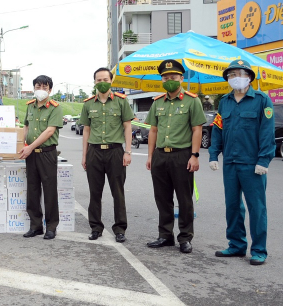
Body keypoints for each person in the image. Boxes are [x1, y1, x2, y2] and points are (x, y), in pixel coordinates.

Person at [209, 59, 275, 265]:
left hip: (252, 164)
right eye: (231, 75)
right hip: (230, 162)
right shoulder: (225, 102)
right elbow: (218, 129)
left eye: (240, 73)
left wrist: (264, 160)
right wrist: (213, 154)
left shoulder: (262, 100)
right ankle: (236, 245)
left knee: (256, 207)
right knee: (233, 206)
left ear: (249, 77)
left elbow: (267, 133)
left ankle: (258, 250)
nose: (235, 78)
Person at [145, 60, 206, 254]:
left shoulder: (191, 100)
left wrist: (194, 155)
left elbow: (197, 129)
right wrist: (150, 156)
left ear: (181, 78)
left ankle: (185, 238)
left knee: (184, 199)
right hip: (160, 156)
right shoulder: (158, 102)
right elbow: (153, 130)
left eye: (173, 77)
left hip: (182, 155)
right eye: (165, 77)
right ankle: (165, 235)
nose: (169, 80)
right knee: (162, 198)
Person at [80, 68, 134, 243]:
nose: (102, 82)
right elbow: (86, 130)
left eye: (105, 79)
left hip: (115, 151)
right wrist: (84, 155)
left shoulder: (121, 102)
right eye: (98, 80)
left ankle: (120, 229)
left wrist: (128, 151)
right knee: (95, 193)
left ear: (111, 81)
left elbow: (127, 127)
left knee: (118, 192)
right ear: (94, 82)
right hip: (94, 152)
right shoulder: (88, 104)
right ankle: (96, 228)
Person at [19, 75, 63, 240]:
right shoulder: (30, 106)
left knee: (50, 190)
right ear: (34, 88)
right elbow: (26, 126)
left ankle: (51, 227)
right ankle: (35, 226)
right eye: (38, 86)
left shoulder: (55, 108)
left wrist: (30, 147)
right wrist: (20, 144)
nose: (41, 90)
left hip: (47, 153)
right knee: (32, 190)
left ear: (50, 90)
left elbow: (49, 131)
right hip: (30, 155)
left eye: (45, 87)